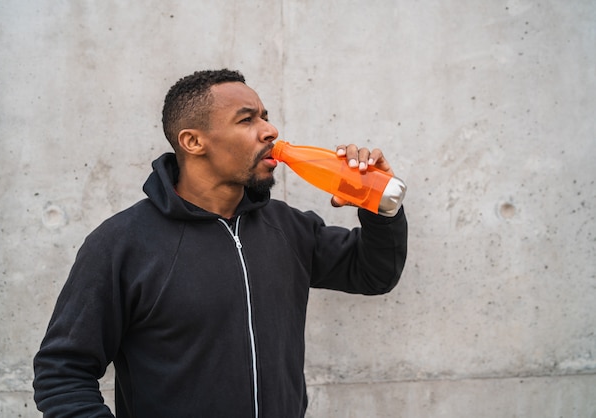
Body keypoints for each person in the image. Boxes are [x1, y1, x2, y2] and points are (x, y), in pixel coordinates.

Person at [33, 69, 408, 417]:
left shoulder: (288, 227)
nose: (270, 130)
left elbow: (373, 274)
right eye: (247, 120)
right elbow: (62, 373)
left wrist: (379, 204)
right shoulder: (121, 244)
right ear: (194, 141)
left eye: (265, 116)